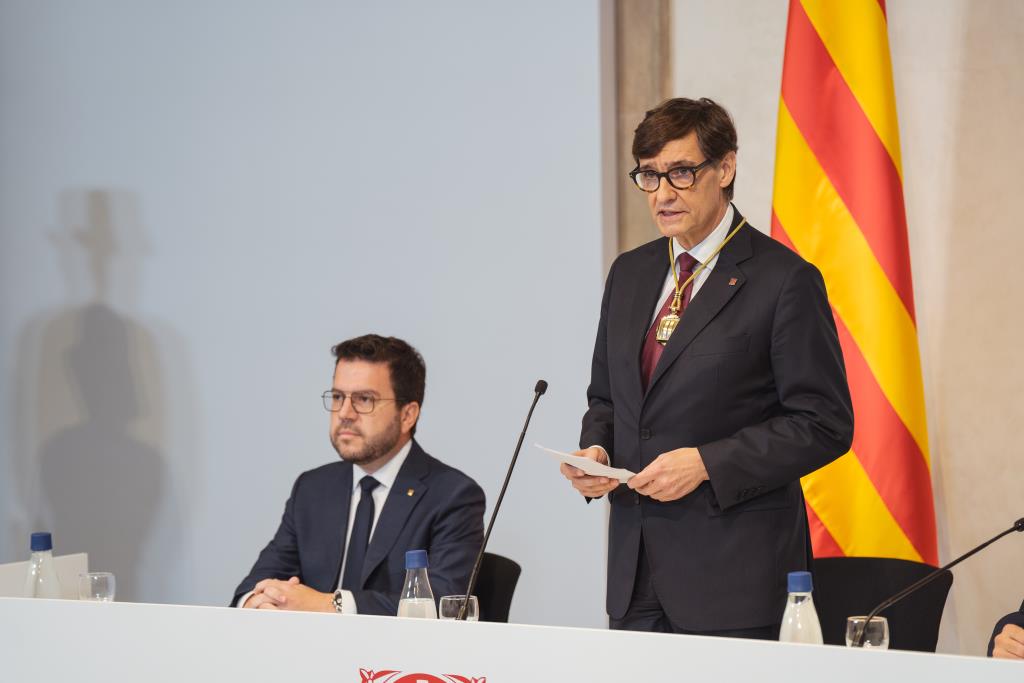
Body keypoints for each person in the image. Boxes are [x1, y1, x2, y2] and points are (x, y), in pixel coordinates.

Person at [562, 97, 853, 638]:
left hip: (734, 581)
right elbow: (607, 398)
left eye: (680, 172)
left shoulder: (784, 280)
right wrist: (597, 452)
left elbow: (824, 424)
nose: (663, 193)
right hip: (634, 574)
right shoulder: (629, 274)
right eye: (648, 175)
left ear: (725, 168)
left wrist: (707, 464)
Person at [232, 334, 485, 615]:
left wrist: (329, 605)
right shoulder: (312, 489)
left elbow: (442, 603)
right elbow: (255, 585)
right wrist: (257, 601)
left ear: (407, 415)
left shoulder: (452, 495)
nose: (344, 413)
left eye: (364, 399)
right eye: (338, 396)